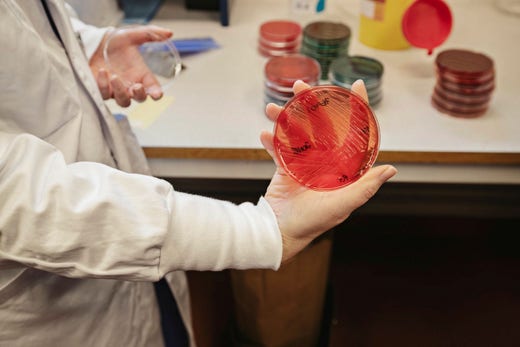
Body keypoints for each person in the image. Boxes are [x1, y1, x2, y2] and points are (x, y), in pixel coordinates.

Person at [0, 1, 397, 346]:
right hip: (51, 303)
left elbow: (21, 26)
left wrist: (84, 46)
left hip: (127, 243)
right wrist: (258, 229)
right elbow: (23, 196)